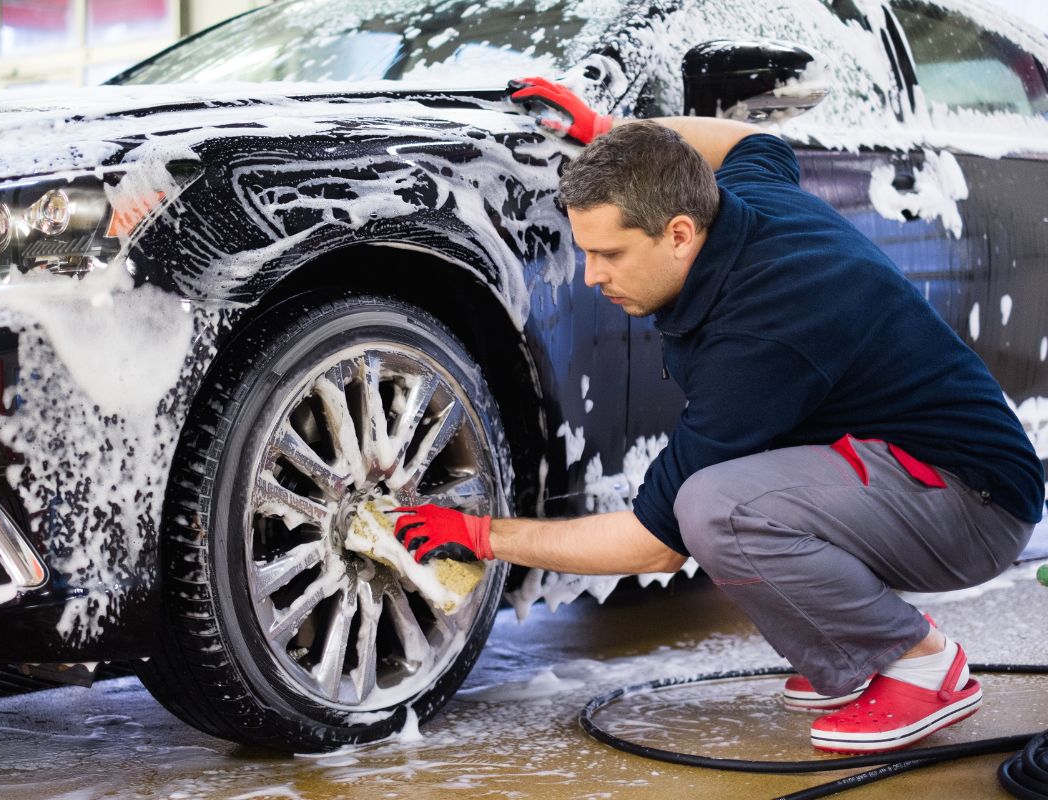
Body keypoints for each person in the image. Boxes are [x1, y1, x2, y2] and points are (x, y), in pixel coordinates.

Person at [390, 77, 1045, 754]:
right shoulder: (740, 201)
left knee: (713, 507)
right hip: (913, 468)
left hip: (974, 506)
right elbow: (754, 140)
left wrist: (481, 534)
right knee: (724, 495)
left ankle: (922, 663)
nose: (591, 275)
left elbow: (656, 541)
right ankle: (851, 661)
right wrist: (608, 129)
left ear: (678, 234)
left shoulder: (759, 338)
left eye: (609, 254)